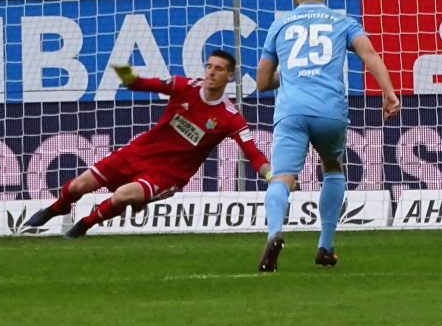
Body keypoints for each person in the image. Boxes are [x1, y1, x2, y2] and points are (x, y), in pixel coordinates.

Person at [24, 51, 273, 239]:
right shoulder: (182, 86)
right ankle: (57, 208)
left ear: (230, 76)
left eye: (218, 69)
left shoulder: (230, 117)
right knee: (77, 186)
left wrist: (271, 174)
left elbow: (253, 154)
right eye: (208, 66)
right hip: (139, 152)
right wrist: (129, 77)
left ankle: (84, 225)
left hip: (168, 174)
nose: (210, 72)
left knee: (122, 195)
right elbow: (143, 84)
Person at [256, 0, 399, 272]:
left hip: (292, 110)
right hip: (329, 110)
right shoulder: (344, 22)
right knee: (333, 166)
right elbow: (370, 55)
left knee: (282, 176)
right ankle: (326, 244)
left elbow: (263, 81)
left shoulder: (280, 25)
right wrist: (388, 93)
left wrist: (293, 75)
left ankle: (274, 232)